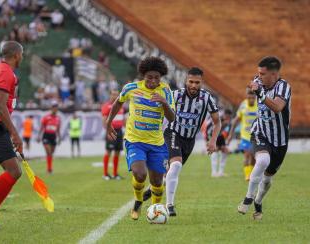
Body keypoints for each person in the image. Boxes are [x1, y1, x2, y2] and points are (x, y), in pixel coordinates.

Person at [143, 67, 221, 216]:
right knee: (176, 164)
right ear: (186, 81)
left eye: (197, 83)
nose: (193, 85)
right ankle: (170, 205)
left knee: (172, 171)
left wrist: (213, 141)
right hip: (173, 133)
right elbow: (160, 110)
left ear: (201, 83)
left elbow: (217, 122)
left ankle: (152, 189)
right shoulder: (176, 95)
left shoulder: (207, 98)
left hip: (189, 140)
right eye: (191, 82)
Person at [105, 57, 175, 220]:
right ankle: (138, 201)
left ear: (161, 77)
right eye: (149, 77)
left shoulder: (165, 91)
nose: (153, 81)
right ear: (143, 75)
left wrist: (164, 103)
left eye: (157, 77)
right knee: (140, 174)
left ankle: (155, 209)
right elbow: (117, 103)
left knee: (157, 182)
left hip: (157, 143)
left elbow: (171, 118)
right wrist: (109, 123)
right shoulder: (131, 88)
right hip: (135, 141)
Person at [237, 56, 291, 220]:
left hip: (280, 140)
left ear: (274, 74)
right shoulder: (258, 81)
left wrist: (259, 92)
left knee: (267, 178)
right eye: (258, 73)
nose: (258, 76)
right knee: (262, 161)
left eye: (262, 73)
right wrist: (256, 88)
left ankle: (258, 201)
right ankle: (248, 197)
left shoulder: (284, 87)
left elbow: (277, 107)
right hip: (260, 132)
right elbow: (253, 87)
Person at [0, 41, 23, 229]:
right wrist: (15, 134)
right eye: (22, 54)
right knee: (14, 171)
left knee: (14, 171)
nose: (22, 58)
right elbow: (0, 106)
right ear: (17, 55)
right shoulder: (5, 73)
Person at [227, 88, 257, 181]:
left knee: (253, 157)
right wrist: (230, 135)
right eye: (249, 96)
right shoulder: (243, 105)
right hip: (245, 136)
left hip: (256, 136)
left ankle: (251, 173)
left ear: (255, 96)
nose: (251, 98)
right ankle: (247, 175)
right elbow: (236, 120)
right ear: (247, 95)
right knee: (247, 155)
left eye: (253, 96)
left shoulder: (259, 105)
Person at [101, 90, 124, 180]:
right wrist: (107, 131)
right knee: (109, 151)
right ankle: (105, 174)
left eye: (116, 95)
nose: (115, 96)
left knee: (117, 152)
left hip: (119, 131)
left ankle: (115, 174)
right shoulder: (107, 106)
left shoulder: (120, 105)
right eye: (113, 94)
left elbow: (123, 118)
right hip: (111, 131)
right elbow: (104, 119)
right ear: (110, 95)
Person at [37, 101, 61, 174]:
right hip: (46, 135)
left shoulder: (58, 118)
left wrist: (59, 137)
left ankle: (49, 168)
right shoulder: (46, 117)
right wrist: (39, 136)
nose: (55, 109)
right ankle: (49, 169)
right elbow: (42, 127)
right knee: (49, 152)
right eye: (54, 107)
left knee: (51, 153)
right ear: (51, 108)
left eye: (56, 108)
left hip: (53, 136)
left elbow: (58, 129)